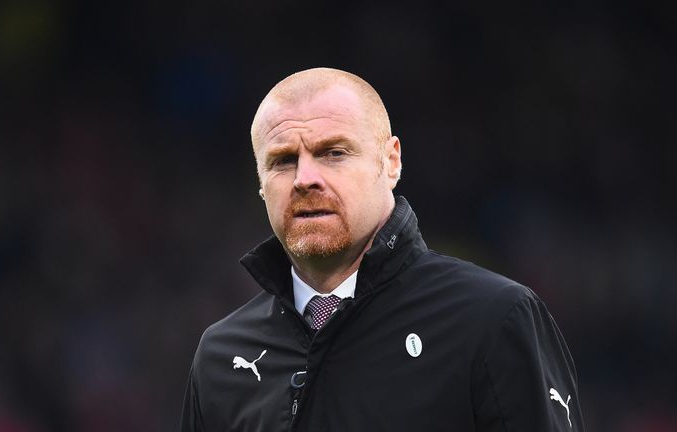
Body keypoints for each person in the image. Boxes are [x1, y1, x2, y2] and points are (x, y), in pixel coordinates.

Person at [180, 67, 584, 431]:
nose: (305, 178)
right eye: (283, 161)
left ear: (391, 162)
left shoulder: (492, 318)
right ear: (261, 181)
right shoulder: (222, 356)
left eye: (333, 153)